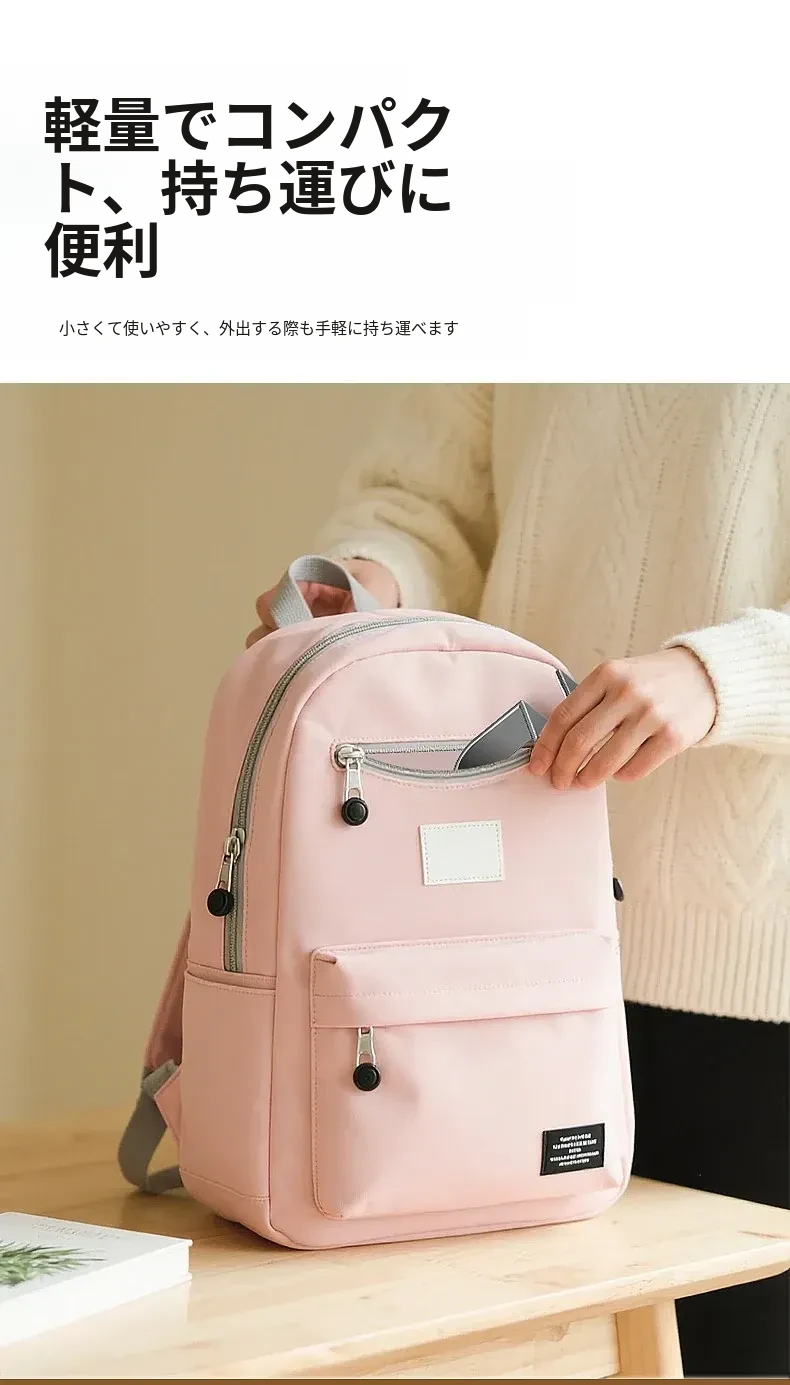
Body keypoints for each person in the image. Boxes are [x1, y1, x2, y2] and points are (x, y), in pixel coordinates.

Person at [248, 384, 790, 1378]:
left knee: (737, 1350)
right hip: (497, 956)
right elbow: (427, 502)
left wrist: (723, 675)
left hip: (756, 991)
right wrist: (375, 575)